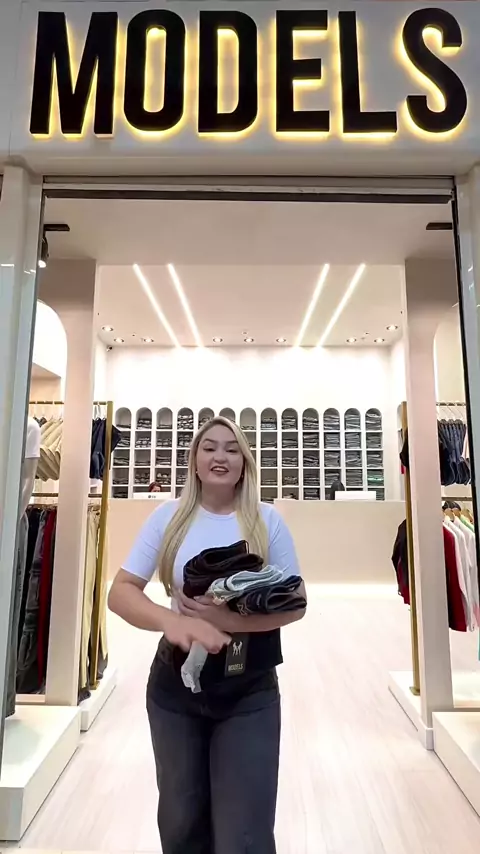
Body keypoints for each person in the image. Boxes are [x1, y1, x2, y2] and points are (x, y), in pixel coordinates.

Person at [108, 416, 306, 854]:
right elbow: (120, 592)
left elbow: (296, 603)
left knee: (245, 832)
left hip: (249, 689)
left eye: (232, 449)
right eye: (210, 447)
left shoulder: (267, 521)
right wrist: (175, 622)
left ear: (244, 463)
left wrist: (227, 621)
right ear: (195, 461)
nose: (221, 456)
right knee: (181, 823)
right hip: (174, 689)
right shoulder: (168, 518)